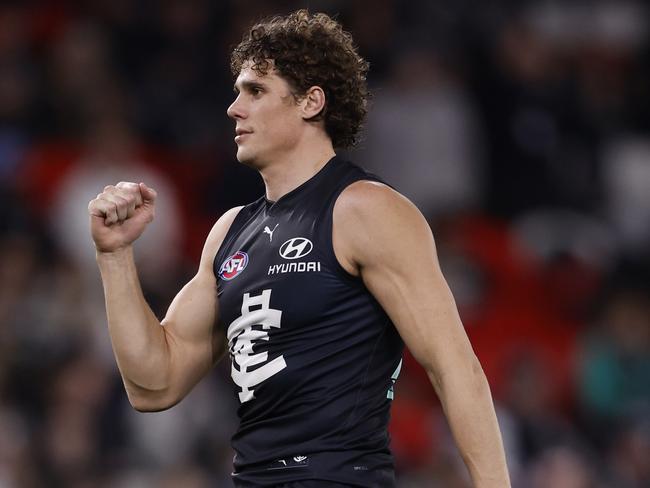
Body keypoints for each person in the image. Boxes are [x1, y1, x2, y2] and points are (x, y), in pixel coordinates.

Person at [88, 10, 510, 488]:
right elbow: (154, 383)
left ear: (311, 102)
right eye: (237, 91)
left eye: (256, 90)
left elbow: (453, 365)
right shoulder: (231, 232)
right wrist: (115, 256)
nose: (233, 107)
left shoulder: (365, 210)